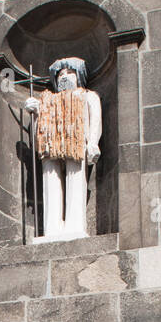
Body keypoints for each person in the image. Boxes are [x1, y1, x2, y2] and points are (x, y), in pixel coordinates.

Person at [24, 57, 101, 241]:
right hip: (50, 144)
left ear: (79, 76)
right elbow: (38, 133)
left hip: (76, 141)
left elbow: (95, 120)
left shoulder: (88, 96)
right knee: (50, 181)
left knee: (75, 180)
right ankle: (52, 229)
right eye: (60, 74)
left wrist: (92, 142)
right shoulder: (46, 101)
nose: (64, 77)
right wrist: (34, 113)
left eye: (70, 73)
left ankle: (75, 225)